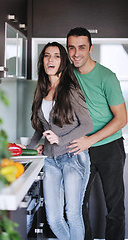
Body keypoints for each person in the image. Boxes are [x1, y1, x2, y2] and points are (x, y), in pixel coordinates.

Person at [26, 41, 93, 240]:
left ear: (63, 61)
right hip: (50, 160)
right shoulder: (42, 90)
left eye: (56, 56)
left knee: (72, 214)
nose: (51, 60)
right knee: (53, 218)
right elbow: (40, 128)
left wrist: (60, 139)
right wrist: (28, 152)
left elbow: (87, 125)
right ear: (42, 61)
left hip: (73, 157)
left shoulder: (71, 90)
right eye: (47, 55)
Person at [66, 27, 127, 240]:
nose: (76, 53)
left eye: (81, 47)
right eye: (72, 48)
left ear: (90, 48)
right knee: (77, 205)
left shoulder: (107, 77)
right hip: (80, 148)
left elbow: (122, 119)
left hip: (109, 147)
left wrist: (90, 140)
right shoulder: (67, 76)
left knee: (114, 207)